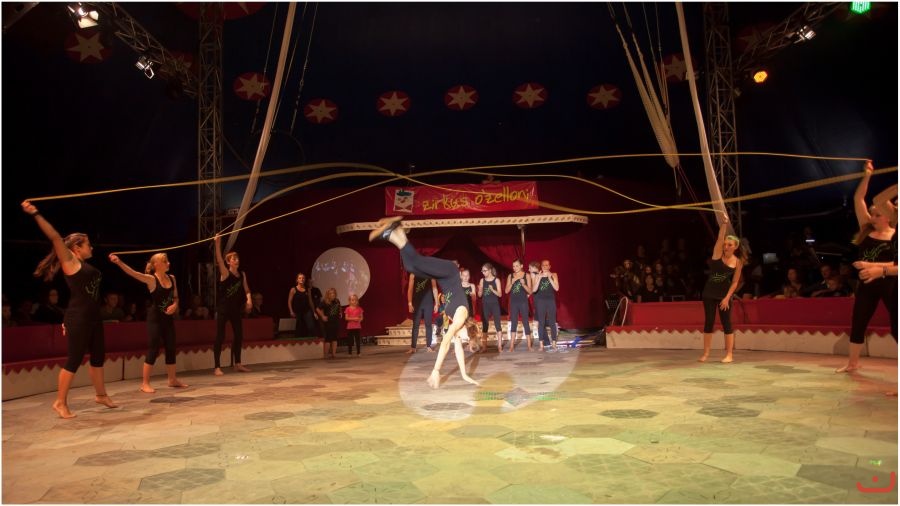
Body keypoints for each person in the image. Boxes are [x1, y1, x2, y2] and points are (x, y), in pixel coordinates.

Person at [21, 200, 117, 418]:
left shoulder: (86, 265)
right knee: (74, 359)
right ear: (76, 248)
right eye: (88, 244)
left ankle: (101, 395)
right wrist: (35, 213)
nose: (91, 247)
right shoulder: (71, 262)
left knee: (98, 357)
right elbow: (55, 237)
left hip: (93, 318)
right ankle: (60, 402)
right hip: (79, 318)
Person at [369, 216, 481, 388]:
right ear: (469, 332)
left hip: (443, 278)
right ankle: (393, 232)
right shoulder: (460, 317)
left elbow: (458, 350)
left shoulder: (460, 328)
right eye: (467, 339)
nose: (463, 340)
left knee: (410, 267)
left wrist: (465, 375)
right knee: (416, 262)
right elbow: (445, 343)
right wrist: (436, 370)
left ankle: (393, 233)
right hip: (449, 272)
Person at [837, 160, 897, 374]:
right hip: (867, 283)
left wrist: (872, 265)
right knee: (858, 321)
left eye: (877, 214)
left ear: (888, 216)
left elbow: (895, 265)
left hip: (890, 283)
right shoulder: (866, 229)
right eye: (872, 214)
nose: (873, 217)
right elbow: (858, 199)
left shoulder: (895, 234)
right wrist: (868, 175)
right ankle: (853, 363)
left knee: (897, 326)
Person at [109, 253, 188, 392]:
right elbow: (133, 273)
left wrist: (175, 305)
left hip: (168, 319)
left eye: (168, 261)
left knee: (171, 347)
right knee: (154, 348)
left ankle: (172, 379)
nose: (168, 263)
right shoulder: (151, 279)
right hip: (155, 319)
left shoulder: (172, 278)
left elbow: (176, 297)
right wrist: (119, 262)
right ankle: (145, 383)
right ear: (156, 264)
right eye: (165, 261)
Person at [699, 213, 746, 364]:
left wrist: (727, 298)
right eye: (725, 244)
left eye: (729, 245)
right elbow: (720, 239)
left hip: (724, 295)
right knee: (709, 322)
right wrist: (724, 224)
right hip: (709, 293)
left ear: (735, 247)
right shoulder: (717, 254)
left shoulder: (738, 262)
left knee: (727, 323)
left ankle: (729, 354)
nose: (726, 246)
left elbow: (735, 282)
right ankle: (706, 353)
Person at [213, 234, 252, 376]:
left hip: (235, 309)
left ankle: (238, 364)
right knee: (220, 336)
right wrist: (217, 244)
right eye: (234, 259)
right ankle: (217, 367)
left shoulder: (242, 275)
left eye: (237, 258)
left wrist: (249, 300)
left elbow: (247, 290)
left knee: (239, 335)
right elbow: (219, 260)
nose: (237, 260)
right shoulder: (225, 273)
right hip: (223, 309)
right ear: (228, 262)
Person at [532, 259, 561, 352]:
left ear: (549, 266)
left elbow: (556, 288)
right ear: (541, 266)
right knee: (541, 322)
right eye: (543, 265)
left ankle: (554, 344)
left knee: (552, 322)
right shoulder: (537, 276)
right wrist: (539, 278)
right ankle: (541, 345)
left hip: (550, 300)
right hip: (541, 301)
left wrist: (549, 278)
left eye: (547, 265)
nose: (545, 266)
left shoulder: (554, 275)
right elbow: (534, 290)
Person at [505, 259, 533, 352]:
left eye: (517, 266)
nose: (515, 268)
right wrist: (512, 282)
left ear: (521, 266)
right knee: (514, 322)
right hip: (513, 302)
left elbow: (530, 291)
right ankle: (511, 346)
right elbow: (506, 291)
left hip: (523, 302)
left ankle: (529, 346)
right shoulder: (510, 276)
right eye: (513, 266)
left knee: (525, 322)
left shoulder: (526, 275)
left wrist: (524, 284)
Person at [407, 272, 438, 354]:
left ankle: (429, 346)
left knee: (428, 324)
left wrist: (437, 303)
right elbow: (410, 289)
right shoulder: (413, 274)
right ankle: (413, 347)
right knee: (415, 325)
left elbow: (434, 288)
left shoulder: (430, 274)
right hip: (417, 303)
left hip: (428, 302)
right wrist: (409, 303)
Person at [478, 262, 503, 352]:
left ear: (489, 270)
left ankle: (499, 346)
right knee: (485, 325)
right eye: (482, 271)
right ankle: (484, 347)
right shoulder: (482, 280)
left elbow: (500, 294)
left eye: (484, 271)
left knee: (497, 325)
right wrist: (480, 290)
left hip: (494, 304)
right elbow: (480, 295)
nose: (483, 272)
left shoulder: (496, 280)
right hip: (485, 305)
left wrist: (492, 289)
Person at [316, 287, 342, 359]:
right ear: (328, 294)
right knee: (328, 338)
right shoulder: (325, 301)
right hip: (328, 322)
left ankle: (334, 354)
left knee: (335, 338)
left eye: (333, 293)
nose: (332, 294)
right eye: (330, 293)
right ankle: (326, 355)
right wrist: (322, 316)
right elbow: (317, 309)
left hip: (336, 322)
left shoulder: (337, 301)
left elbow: (339, 308)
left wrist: (340, 312)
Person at [287, 273, 316, 337]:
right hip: (297, 311)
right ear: (297, 280)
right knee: (298, 327)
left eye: (303, 278)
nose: (301, 279)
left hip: (306, 311)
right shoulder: (293, 289)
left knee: (311, 326)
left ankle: (311, 340)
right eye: (300, 278)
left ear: (305, 280)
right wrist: (291, 311)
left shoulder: (308, 289)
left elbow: (310, 301)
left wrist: (314, 312)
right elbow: (289, 301)